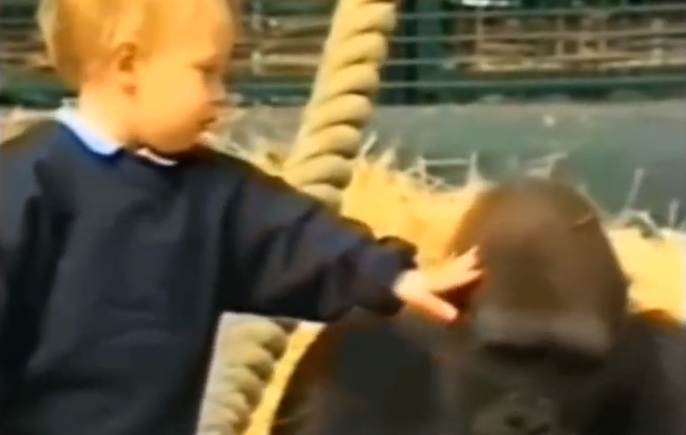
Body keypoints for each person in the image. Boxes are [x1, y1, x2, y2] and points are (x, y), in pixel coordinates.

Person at [0, 0, 482, 434]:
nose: (221, 95)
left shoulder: (210, 191)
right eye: (206, 71)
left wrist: (394, 278)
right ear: (128, 65)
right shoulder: (28, 184)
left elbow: (296, 239)